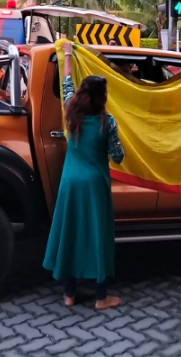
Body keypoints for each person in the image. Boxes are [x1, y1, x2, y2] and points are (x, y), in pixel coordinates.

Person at [43, 42, 124, 310]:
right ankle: (101, 297)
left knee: (71, 233)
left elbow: (66, 82)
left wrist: (68, 54)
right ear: (103, 97)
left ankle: (69, 294)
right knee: (97, 235)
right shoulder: (107, 122)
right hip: (95, 185)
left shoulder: (70, 113)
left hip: (70, 183)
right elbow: (118, 156)